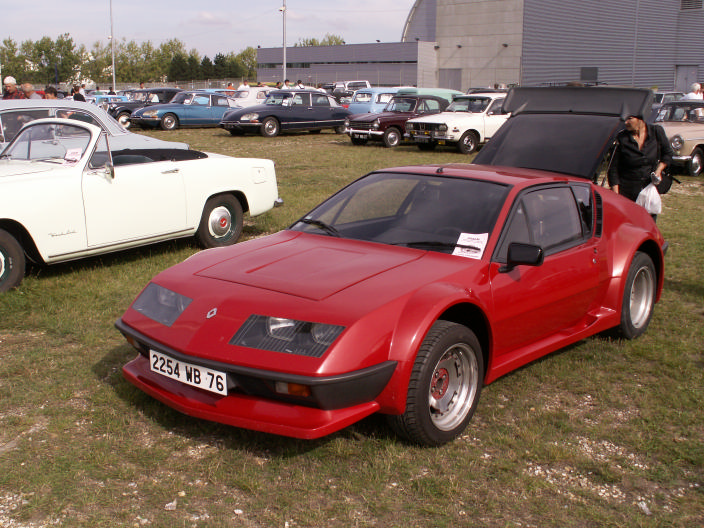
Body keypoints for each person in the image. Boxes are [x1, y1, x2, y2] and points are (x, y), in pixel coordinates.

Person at [608, 113, 673, 221]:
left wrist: (659, 170)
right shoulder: (622, 138)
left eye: (629, 119)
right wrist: (616, 196)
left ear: (640, 118)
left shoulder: (656, 132)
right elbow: (613, 168)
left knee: (648, 226)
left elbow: (668, 154)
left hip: (649, 191)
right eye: (624, 119)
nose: (626, 123)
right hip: (627, 192)